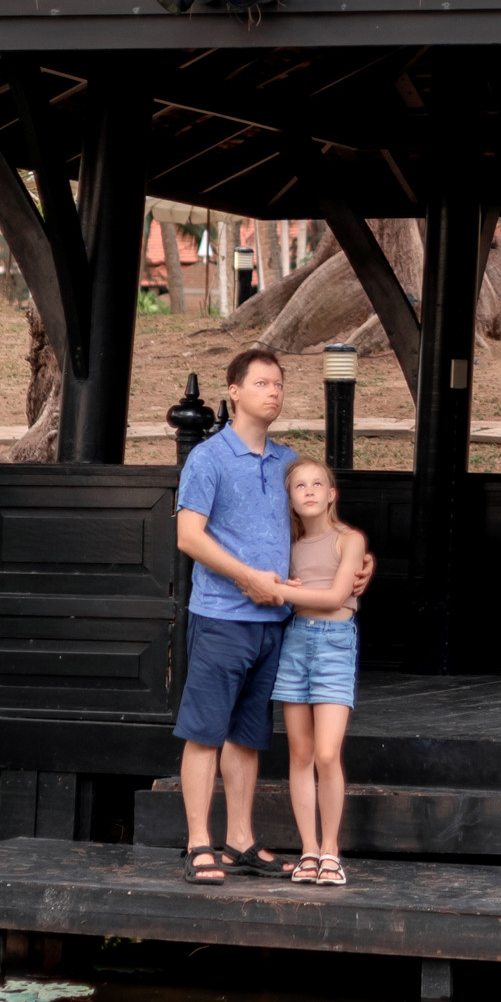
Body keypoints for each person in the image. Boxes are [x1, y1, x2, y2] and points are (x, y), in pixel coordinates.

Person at [171, 346, 296, 884]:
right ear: (235, 391)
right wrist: (246, 577)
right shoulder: (208, 458)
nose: (273, 392)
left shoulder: (288, 461)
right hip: (222, 616)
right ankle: (199, 843)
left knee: (247, 736)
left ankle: (240, 840)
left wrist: (351, 566)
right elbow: (189, 537)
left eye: (279, 384)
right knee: (205, 732)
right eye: (262, 383)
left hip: (273, 622)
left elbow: (311, 529)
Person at [269, 458, 368, 887]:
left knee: (327, 754)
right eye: (299, 486)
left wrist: (283, 591)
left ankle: (332, 850)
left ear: (331, 494)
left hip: (334, 644)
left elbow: (336, 596)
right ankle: (309, 850)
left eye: (317, 484)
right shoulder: (286, 544)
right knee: (300, 754)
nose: (308, 491)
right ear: (290, 499)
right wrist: (283, 590)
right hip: (295, 643)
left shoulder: (349, 540)